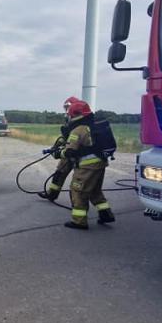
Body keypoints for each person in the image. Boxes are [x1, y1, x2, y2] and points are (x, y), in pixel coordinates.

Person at [60, 97, 116, 230]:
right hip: (100, 163)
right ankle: (106, 214)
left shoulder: (77, 130)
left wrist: (59, 153)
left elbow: (70, 152)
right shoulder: (92, 126)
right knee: (95, 191)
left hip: (86, 167)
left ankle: (79, 221)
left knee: (77, 191)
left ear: (74, 115)